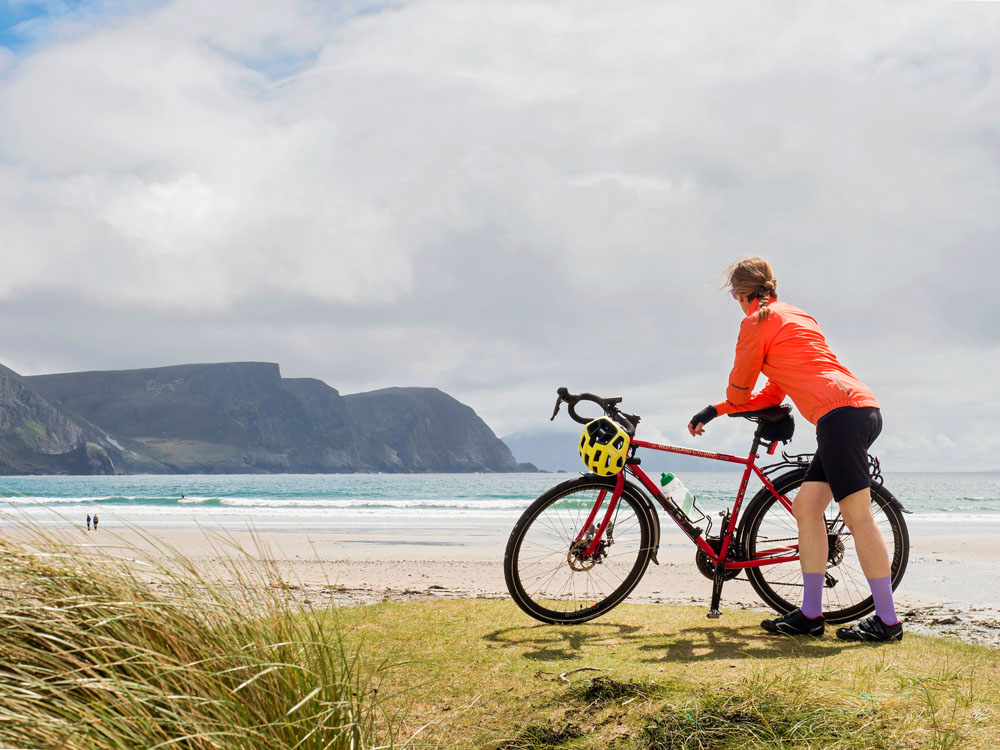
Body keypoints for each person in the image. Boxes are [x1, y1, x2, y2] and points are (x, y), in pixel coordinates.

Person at [688, 257, 902, 642]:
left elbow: (741, 388)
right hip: (860, 409)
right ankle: (811, 615)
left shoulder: (755, 322)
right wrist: (719, 410)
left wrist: (723, 405)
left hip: (841, 417)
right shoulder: (799, 315)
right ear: (772, 288)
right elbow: (775, 390)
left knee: (858, 518)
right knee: (806, 507)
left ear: (737, 294)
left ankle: (888, 622)